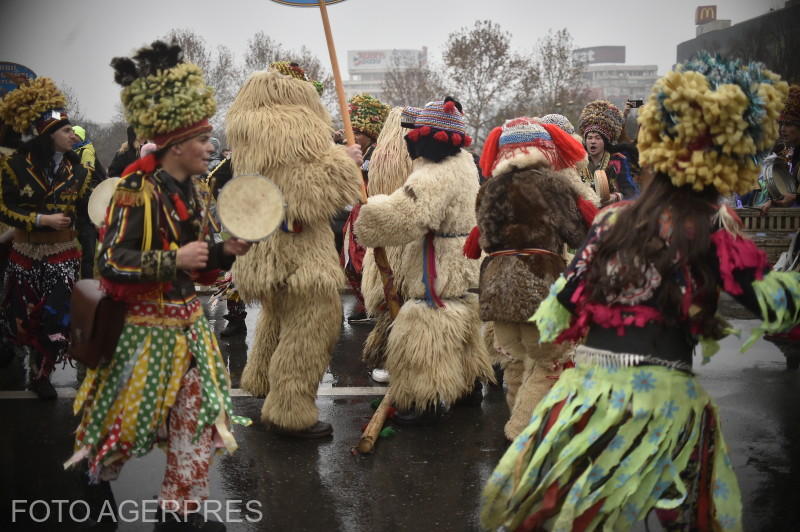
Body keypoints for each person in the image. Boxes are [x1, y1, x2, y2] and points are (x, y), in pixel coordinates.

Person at [481, 54, 794, 531]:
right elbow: (776, 305)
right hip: (663, 397)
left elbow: (563, 303)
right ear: (728, 166)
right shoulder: (712, 230)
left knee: (585, 511)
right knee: (679, 511)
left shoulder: (612, 220)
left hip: (588, 391)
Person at [66, 41, 252, 531]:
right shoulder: (134, 190)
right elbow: (109, 261)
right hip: (143, 334)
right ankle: (92, 483)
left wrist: (221, 253)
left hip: (189, 330)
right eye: (204, 141)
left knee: (199, 421)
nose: (211, 148)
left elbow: (200, 264)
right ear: (176, 147)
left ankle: (180, 510)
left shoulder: (195, 190)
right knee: (125, 429)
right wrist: (173, 258)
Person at [230, 62, 363, 438]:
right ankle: (289, 409)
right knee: (313, 324)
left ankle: (261, 381)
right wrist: (345, 163)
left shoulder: (251, 128)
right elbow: (305, 194)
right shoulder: (289, 126)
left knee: (279, 316)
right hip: (297, 250)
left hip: (266, 248)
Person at [354, 97, 494, 423]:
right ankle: (467, 390)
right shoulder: (463, 164)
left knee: (426, 331)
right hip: (463, 259)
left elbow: (410, 214)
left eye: (415, 132)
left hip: (438, 266)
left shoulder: (434, 174)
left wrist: (371, 214)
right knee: (463, 327)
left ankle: (424, 402)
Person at [472, 117, 595, 440]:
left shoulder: (487, 189)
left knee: (514, 362)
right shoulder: (554, 186)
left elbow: (485, 239)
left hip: (496, 289)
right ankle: (521, 431)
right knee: (549, 363)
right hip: (538, 287)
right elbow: (578, 234)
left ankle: (522, 423)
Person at [0, 78, 95, 399]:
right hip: (24, 254)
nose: (73, 135)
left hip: (64, 256)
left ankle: (43, 375)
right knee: (23, 321)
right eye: (66, 130)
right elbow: (4, 209)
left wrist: (91, 262)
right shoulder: (14, 166)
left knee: (56, 323)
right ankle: (18, 353)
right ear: (47, 134)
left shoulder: (79, 172)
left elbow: (85, 217)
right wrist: (40, 220)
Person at [359, 106, 413, 383]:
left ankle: (387, 358)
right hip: (405, 234)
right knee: (404, 296)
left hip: (383, 232)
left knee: (389, 296)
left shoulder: (378, 155)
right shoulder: (410, 154)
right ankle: (401, 359)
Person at [340, 93, 390, 324]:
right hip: (355, 213)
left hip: (371, 212)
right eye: (354, 132)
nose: (355, 137)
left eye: (359, 133)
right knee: (350, 262)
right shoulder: (350, 153)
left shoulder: (380, 155)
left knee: (364, 261)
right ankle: (366, 302)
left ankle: (375, 305)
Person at [578, 100, 639, 205]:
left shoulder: (617, 161)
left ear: (605, 142)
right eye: (589, 138)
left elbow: (631, 192)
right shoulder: (579, 162)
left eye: (598, 138)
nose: (593, 141)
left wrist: (615, 197)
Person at [72, 125, 107, 279]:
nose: (72, 138)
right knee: (88, 245)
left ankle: (88, 282)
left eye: (75, 136)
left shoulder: (86, 150)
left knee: (90, 248)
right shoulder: (73, 152)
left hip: (91, 203)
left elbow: (86, 177)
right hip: (81, 205)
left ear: (80, 137)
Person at [759, 85, 800, 214]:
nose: (782, 129)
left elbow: (795, 195)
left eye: (788, 124)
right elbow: (793, 190)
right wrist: (775, 201)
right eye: (781, 124)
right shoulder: (796, 152)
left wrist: (795, 197)